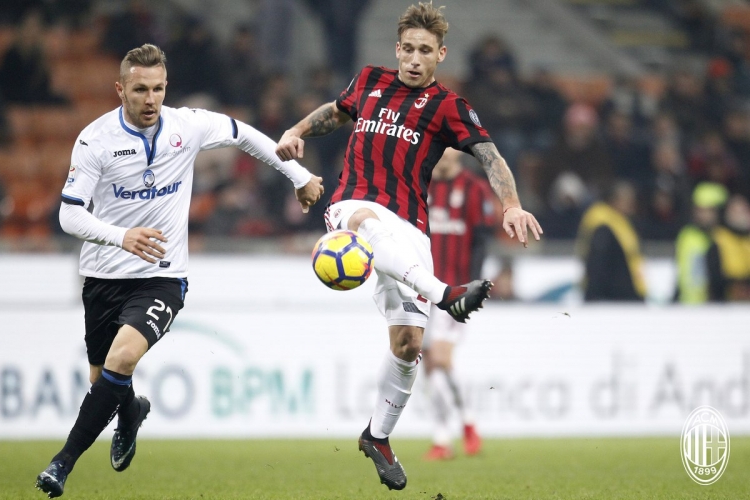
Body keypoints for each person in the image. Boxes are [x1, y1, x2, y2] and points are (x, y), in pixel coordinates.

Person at [34, 44, 323, 498]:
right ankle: (131, 410)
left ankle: (61, 464)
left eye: (158, 89)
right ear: (120, 89)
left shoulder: (187, 125)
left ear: (166, 87)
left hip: (163, 275)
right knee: (102, 380)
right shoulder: (95, 140)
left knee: (122, 360)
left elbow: (244, 134)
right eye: (140, 90)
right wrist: (120, 236)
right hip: (103, 276)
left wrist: (299, 176)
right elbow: (69, 215)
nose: (150, 99)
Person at [276, 3, 542, 490]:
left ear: (441, 55)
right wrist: (295, 131)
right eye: (409, 49)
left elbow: (489, 155)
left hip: (411, 228)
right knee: (365, 224)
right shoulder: (369, 81)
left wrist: (511, 205)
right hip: (354, 205)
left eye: (426, 51)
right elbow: (335, 113)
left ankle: (377, 436)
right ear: (397, 49)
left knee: (408, 345)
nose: (415, 59)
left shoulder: (448, 106)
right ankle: (445, 295)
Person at [422, 147, 495, 461]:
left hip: (454, 292)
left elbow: (481, 241)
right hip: (419, 290)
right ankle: (454, 431)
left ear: (459, 153)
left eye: (449, 148)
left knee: (440, 357)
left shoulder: (473, 188)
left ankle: (456, 430)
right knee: (430, 365)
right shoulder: (420, 183)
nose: (444, 154)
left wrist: (472, 288)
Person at [576, 181, 646, 302]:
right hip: (613, 296)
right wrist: (595, 294)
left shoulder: (620, 221)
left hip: (623, 292)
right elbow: (598, 263)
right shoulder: (603, 223)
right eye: (628, 201)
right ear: (615, 200)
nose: (632, 205)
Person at [675, 182, 728, 304]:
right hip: (690, 304)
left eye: (709, 211)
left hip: (721, 305)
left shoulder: (725, 237)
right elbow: (682, 273)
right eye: (700, 210)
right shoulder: (687, 236)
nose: (704, 215)